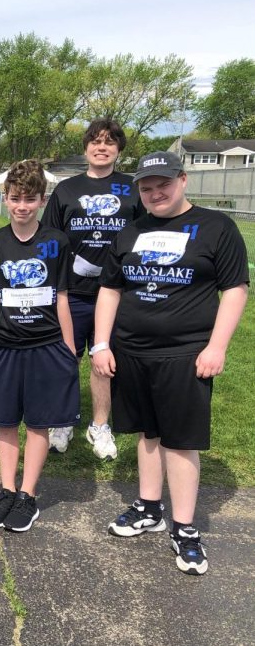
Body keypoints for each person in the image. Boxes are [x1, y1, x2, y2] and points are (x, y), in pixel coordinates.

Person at [93, 152, 248, 575]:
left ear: (182, 180)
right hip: (132, 350)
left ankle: (184, 527)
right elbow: (110, 289)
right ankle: (148, 507)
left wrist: (216, 347)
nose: (155, 193)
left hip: (185, 353)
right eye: (146, 187)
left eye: (163, 184)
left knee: (179, 441)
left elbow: (235, 290)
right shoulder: (129, 232)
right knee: (147, 433)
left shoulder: (217, 227)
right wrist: (101, 344)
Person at [0, 160, 79, 532]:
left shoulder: (57, 241)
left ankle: (27, 495)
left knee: (38, 423)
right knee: (4, 421)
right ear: (5, 199)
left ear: (41, 200)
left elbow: (62, 297)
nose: (22, 206)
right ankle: (6, 489)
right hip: (4, 345)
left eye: (29, 199)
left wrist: (68, 347)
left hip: (46, 344)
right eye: (15, 198)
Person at [41, 118, 143, 458]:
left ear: (118, 149)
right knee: (65, 358)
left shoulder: (132, 189)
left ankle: (99, 426)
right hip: (72, 293)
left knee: (104, 363)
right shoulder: (67, 190)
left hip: (115, 295)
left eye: (110, 142)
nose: (102, 147)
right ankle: (63, 419)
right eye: (96, 141)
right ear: (86, 147)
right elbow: (49, 241)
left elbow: (144, 237)